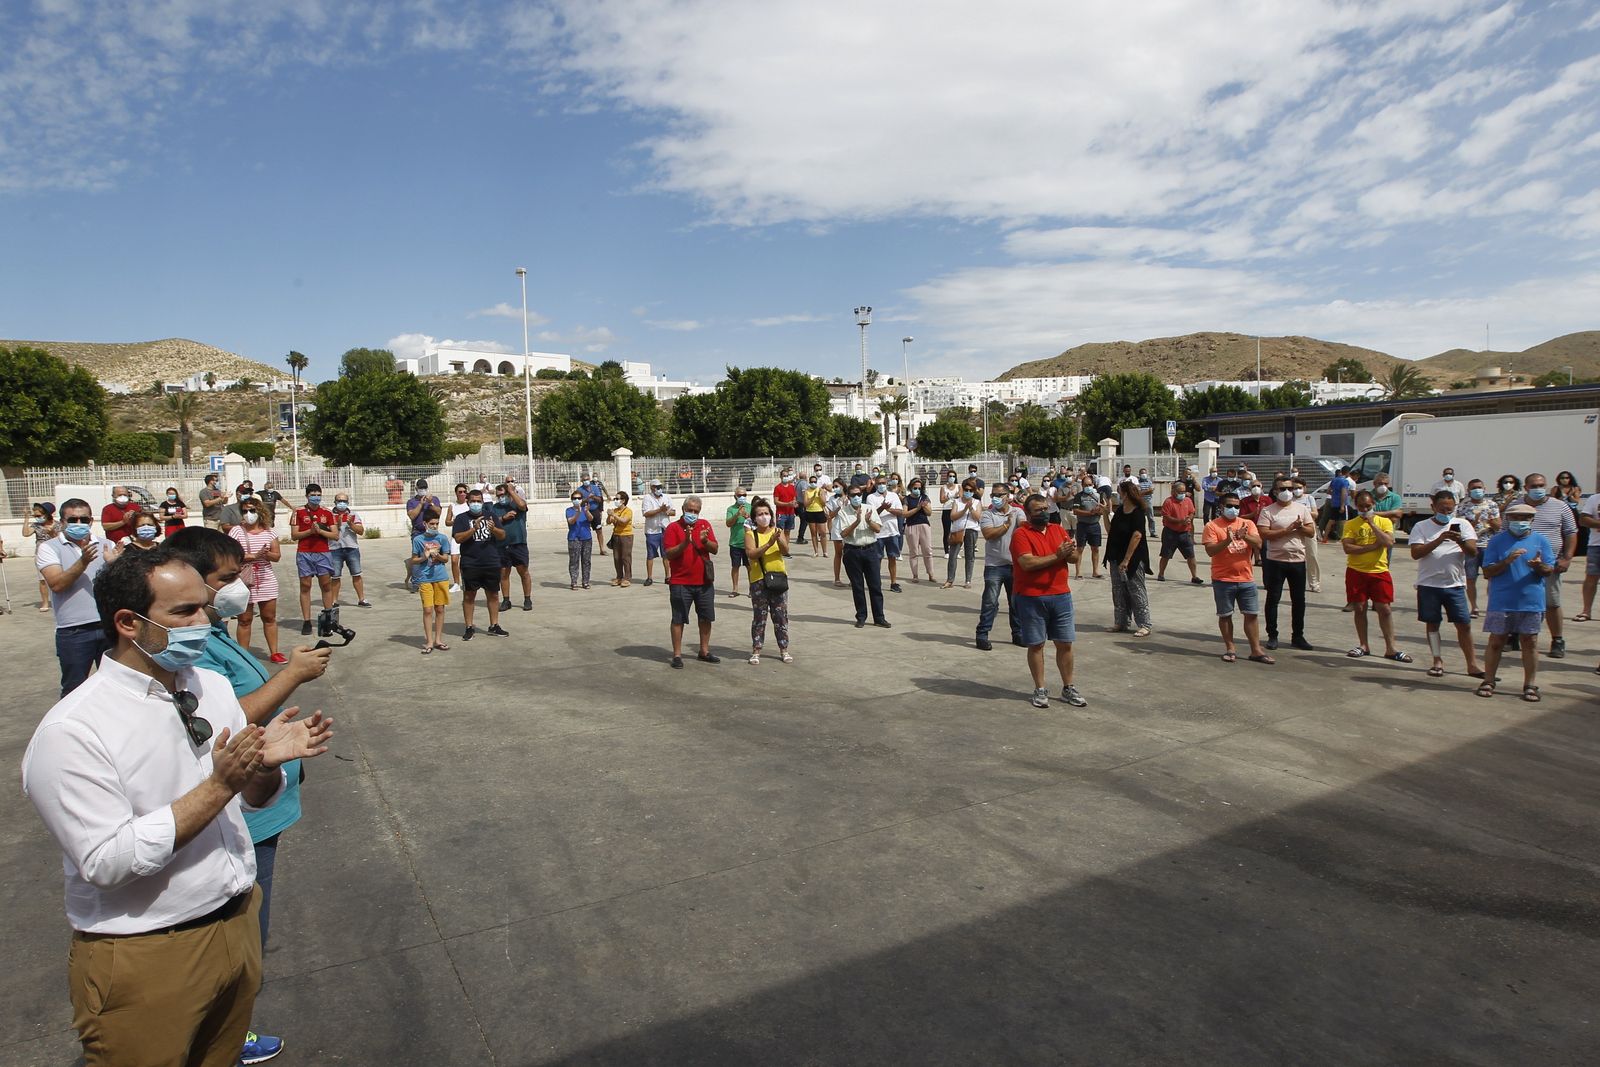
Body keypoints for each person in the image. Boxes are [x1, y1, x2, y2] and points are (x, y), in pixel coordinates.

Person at [22, 548, 330, 1067]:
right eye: (183, 613)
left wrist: (263, 766)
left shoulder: (206, 685)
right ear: (127, 623)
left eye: (204, 609)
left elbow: (254, 800)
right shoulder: (73, 730)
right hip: (149, 954)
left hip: (234, 924)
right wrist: (220, 784)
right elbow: (106, 860)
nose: (203, 623)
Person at [167, 527, 333, 1066]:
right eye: (225, 580)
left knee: (243, 931)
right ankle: (222, 1041)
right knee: (235, 939)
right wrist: (293, 675)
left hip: (258, 802)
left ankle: (225, 1032)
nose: (233, 590)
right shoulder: (188, 645)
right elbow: (228, 718)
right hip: (240, 813)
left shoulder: (209, 631)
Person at [1011, 493, 1087, 708]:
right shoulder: (1021, 534)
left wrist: (1068, 552)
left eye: (1045, 509)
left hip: (1061, 595)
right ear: (1028, 513)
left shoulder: (1057, 529)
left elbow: (1073, 558)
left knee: (1065, 643)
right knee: (1036, 645)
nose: (1044, 513)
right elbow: (1028, 563)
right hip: (1031, 597)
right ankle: (1040, 689)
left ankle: (1068, 687)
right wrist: (1057, 555)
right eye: (1038, 510)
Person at [37, 499, 118, 694]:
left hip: (108, 626)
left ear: (91, 521)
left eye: (84, 519)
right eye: (73, 519)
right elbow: (57, 584)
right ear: (62, 521)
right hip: (74, 631)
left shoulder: (107, 545)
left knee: (115, 686)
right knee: (74, 688)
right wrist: (83, 561)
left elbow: (120, 587)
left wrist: (115, 565)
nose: (79, 523)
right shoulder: (49, 548)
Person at [1476, 503, 1554, 701]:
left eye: (1525, 518)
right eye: (1516, 518)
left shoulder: (1541, 541)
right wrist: (1507, 561)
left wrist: (1538, 566)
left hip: (1531, 600)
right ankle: (1489, 680)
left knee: (1530, 642)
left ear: (1532, 520)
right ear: (1508, 519)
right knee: (1496, 641)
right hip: (1502, 600)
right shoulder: (1496, 541)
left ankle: (1530, 684)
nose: (1520, 522)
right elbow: (1487, 572)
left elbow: (1549, 570)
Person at [1409, 490, 1483, 680]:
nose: (1446, 512)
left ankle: (1472, 664)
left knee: (1464, 625)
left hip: (1455, 585)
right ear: (1433, 506)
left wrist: (1459, 540)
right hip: (1429, 585)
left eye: (1449, 509)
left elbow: (1472, 552)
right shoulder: (1421, 526)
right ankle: (1437, 660)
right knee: (1432, 624)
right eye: (1442, 508)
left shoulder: (1463, 525)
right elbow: (1416, 553)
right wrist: (1439, 539)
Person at [1202, 492, 1272, 664]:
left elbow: (1259, 544)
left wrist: (1244, 536)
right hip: (1223, 580)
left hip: (1246, 579)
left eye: (1236, 506)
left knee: (1251, 614)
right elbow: (1211, 551)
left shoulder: (1247, 524)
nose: (1233, 509)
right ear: (1221, 507)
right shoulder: (1212, 526)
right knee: (1225, 615)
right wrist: (1227, 540)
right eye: (1229, 506)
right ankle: (1230, 648)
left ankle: (1256, 650)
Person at [1341, 489, 1410, 662]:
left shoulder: (1384, 521)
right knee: (1359, 608)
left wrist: (1372, 524)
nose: (1365, 509)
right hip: (1357, 571)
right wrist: (1371, 547)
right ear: (1356, 506)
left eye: (1368, 506)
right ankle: (1363, 645)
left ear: (1373, 505)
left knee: (1384, 609)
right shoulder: (1351, 524)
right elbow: (1348, 548)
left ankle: (1391, 647)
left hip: (1379, 571)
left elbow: (1388, 542)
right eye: (1361, 506)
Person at [1257, 476, 1317, 652]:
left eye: (1290, 489)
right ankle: (1272, 635)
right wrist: (1286, 530)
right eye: (1282, 489)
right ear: (1275, 491)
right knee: (1273, 598)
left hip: (1298, 560)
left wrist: (1298, 527)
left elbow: (1311, 532)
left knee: (1299, 600)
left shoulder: (1302, 509)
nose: (1287, 492)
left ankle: (1298, 636)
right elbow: (1264, 534)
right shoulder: (1268, 511)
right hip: (1276, 561)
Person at [1523, 472, 1577, 658]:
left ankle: (1557, 639)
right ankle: (1515, 636)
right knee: (1520, 601)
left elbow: (1571, 532)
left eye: (1541, 485)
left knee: (1552, 603)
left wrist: (1567, 557)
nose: (1538, 489)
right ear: (1526, 488)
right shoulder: (1516, 506)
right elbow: (1505, 532)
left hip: (1550, 564)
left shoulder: (1560, 506)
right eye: (1534, 486)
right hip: (1521, 564)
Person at [664, 495, 720, 667]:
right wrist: (684, 543)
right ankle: (677, 655)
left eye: (696, 511)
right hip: (681, 582)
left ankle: (704, 650)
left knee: (706, 618)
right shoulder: (673, 528)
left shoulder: (705, 525)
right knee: (678, 618)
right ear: (683, 509)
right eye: (690, 510)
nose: (693, 514)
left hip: (704, 582)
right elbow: (669, 553)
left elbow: (715, 549)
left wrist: (705, 541)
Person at [228, 497, 284, 662]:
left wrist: (266, 554)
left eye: (252, 510)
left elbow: (277, 556)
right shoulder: (237, 531)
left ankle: (274, 652)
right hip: (244, 579)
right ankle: (244, 655)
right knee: (244, 619)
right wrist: (253, 556)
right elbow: (231, 555)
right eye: (245, 511)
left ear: (259, 511)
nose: (248, 514)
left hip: (265, 579)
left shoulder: (269, 532)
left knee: (269, 617)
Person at [454, 488, 508, 639]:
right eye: (473, 501)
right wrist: (473, 529)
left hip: (491, 561)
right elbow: (458, 538)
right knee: (469, 595)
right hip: (470, 563)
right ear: (468, 502)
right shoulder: (461, 518)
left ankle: (494, 625)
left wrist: (494, 529)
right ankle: (469, 626)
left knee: (493, 594)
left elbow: (502, 535)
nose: (476, 504)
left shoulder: (491, 516)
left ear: (483, 502)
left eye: (478, 501)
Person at [975, 485, 1024, 650]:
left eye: (999, 495)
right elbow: (988, 535)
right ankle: (982, 635)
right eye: (993, 495)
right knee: (990, 602)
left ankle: (1018, 634)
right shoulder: (988, 514)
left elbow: (1024, 528)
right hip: (994, 566)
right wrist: (1005, 525)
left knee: (1015, 602)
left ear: (1008, 496)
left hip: (1014, 565)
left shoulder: (1017, 512)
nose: (995, 498)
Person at [744, 498, 792, 664]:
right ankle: (756, 650)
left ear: (771, 515)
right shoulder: (751, 534)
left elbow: (786, 550)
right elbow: (751, 554)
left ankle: (784, 649)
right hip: (759, 580)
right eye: (759, 514)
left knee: (780, 616)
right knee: (759, 617)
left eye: (766, 513)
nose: (763, 517)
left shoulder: (777, 530)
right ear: (754, 518)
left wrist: (778, 539)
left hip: (778, 579)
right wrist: (768, 544)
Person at [1105, 480, 1153, 637]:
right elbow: (1110, 530)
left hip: (1133, 558)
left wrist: (1126, 560)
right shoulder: (1119, 512)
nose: (1117, 494)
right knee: (1118, 590)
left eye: (1119, 491)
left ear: (1125, 494)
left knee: (1136, 589)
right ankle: (1121, 622)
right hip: (1115, 555)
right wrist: (1105, 513)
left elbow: (1137, 535)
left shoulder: (1138, 513)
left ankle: (1144, 624)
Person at [839, 484, 890, 628]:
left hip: (870, 550)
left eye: (858, 494)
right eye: (853, 495)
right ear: (848, 497)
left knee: (875, 585)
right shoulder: (844, 512)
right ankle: (861, 616)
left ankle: (879, 617)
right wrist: (856, 521)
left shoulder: (870, 508)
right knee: (857, 586)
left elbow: (878, 529)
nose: (856, 497)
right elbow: (843, 533)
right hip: (852, 551)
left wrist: (868, 521)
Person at [290, 484, 337, 637]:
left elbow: (335, 535)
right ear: (307, 496)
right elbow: (294, 535)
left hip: (323, 553)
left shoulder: (327, 513)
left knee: (325, 584)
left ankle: (328, 617)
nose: (316, 497)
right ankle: (306, 621)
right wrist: (310, 531)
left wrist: (321, 531)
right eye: (313, 494)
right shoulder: (298, 512)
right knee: (305, 586)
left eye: (318, 494)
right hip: (304, 553)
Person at [1456, 478, 1501, 618]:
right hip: (1471, 546)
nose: (1477, 490)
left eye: (1479, 487)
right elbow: (1460, 527)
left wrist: (1490, 521)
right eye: (1474, 488)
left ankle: (1491, 606)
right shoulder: (1463, 506)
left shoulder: (1492, 505)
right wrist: (1474, 522)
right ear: (1469, 491)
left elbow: (1498, 526)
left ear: (1484, 489)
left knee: (1491, 577)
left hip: (1489, 545)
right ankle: (1474, 607)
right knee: (1470, 578)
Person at [410, 512, 453, 652]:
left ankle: (438, 639)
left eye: (436, 524)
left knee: (440, 608)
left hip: (440, 577)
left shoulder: (442, 538)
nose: (434, 526)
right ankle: (429, 641)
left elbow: (446, 558)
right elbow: (413, 560)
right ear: (425, 524)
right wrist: (424, 556)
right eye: (431, 524)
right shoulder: (418, 539)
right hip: (425, 578)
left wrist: (438, 556)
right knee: (428, 609)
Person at [493, 481, 533, 611]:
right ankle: (506, 600)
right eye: (499, 495)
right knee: (504, 573)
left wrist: (511, 491)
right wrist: (503, 518)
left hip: (518, 543)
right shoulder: (495, 508)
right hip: (502, 544)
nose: (501, 497)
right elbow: (491, 522)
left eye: (503, 494)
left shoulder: (516, 504)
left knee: (523, 572)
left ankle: (527, 599)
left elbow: (523, 505)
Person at [328, 492, 371, 608]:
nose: (341, 503)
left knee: (357, 574)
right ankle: (334, 601)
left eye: (344, 501)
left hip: (351, 548)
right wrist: (337, 524)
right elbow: (327, 532)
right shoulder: (329, 515)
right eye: (339, 501)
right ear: (335, 502)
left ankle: (361, 599)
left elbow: (361, 531)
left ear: (347, 502)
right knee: (335, 576)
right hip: (334, 549)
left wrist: (351, 524)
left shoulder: (353, 514)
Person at [1156, 480, 1202, 584]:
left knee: (1191, 555)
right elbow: (1167, 517)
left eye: (1183, 492)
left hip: (1185, 533)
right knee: (1166, 555)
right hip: (1170, 533)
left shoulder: (1188, 501)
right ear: (1173, 491)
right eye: (1180, 492)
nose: (1182, 494)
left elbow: (1192, 512)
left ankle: (1194, 576)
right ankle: (1161, 573)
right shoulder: (1168, 502)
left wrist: (1189, 519)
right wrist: (1180, 521)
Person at [404, 479, 442, 592]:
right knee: (418, 557)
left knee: (433, 556)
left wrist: (430, 503)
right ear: (416, 489)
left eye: (424, 488)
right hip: (418, 532)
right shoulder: (411, 502)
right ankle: (416, 583)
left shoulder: (434, 499)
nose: (423, 490)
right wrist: (421, 503)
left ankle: (432, 580)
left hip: (432, 532)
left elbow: (439, 513)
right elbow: (412, 515)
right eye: (421, 489)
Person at [870, 473, 905, 593]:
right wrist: (881, 508)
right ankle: (876, 582)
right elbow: (872, 515)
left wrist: (888, 509)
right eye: (879, 483)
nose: (881, 485)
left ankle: (893, 582)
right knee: (877, 559)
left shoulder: (893, 496)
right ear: (875, 484)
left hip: (892, 532)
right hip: (878, 533)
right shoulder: (871, 497)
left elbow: (900, 512)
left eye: (883, 483)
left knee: (892, 558)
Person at [943, 477, 980, 589]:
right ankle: (950, 580)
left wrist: (971, 509)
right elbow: (953, 516)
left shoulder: (976, 502)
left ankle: (968, 580)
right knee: (953, 555)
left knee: (970, 556)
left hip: (971, 530)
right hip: (957, 530)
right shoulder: (957, 502)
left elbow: (978, 517)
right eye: (966, 490)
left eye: (970, 490)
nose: (968, 492)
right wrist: (964, 510)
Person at [22, 502, 59, 611]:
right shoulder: (36, 526)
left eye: (38, 516)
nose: (37, 518)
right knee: (42, 580)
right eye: (35, 516)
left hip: (55, 553)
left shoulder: (57, 525)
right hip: (40, 554)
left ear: (47, 514)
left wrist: (52, 533)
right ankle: (45, 603)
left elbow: (60, 539)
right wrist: (26, 518)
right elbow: (25, 533)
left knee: (57, 578)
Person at [640, 479, 676, 587]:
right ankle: (649, 577)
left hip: (665, 529)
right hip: (652, 530)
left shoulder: (666, 497)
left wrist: (667, 511)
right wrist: (659, 510)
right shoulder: (647, 498)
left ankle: (667, 576)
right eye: (656, 487)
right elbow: (646, 513)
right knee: (650, 554)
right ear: (652, 488)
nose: (659, 489)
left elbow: (673, 511)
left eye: (660, 486)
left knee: (666, 554)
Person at [1070, 475, 1105, 580]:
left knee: (1095, 548)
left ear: (1093, 485)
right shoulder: (1079, 496)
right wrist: (1090, 513)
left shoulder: (1098, 496)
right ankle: (1078, 572)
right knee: (1080, 549)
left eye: (1090, 485)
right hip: (1082, 525)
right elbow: (1076, 511)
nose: (1088, 487)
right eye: (1086, 485)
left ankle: (1095, 571)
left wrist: (1100, 510)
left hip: (1095, 525)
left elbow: (1103, 510)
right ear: (1082, 485)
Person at [902, 476, 935, 583]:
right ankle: (915, 575)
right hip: (911, 526)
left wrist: (924, 506)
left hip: (924, 525)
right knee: (914, 552)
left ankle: (931, 574)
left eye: (919, 488)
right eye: (915, 487)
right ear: (911, 487)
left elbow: (929, 513)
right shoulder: (907, 499)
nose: (917, 490)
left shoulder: (924, 497)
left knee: (927, 550)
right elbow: (905, 514)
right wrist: (917, 508)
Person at [440, 483, 472, 593]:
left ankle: (468, 581)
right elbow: (447, 522)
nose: (462, 494)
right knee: (454, 560)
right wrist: (457, 522)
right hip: (457, 536)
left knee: (468, 560)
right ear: (456, 493)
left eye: (464, 491)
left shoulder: (470, 505)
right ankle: (456, 583)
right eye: (460, 492)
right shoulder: (452, 506)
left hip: (469, 535)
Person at [1576, 488, 1600, 622]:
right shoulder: (1594, 499)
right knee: (1591, 578)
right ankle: (1586, 611)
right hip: (1596, 545)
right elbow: (1584, 520)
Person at [564, 488, 595, 590]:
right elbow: (571, 521)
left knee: (586, 561)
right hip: (574, 538)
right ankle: (574, 582)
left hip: (586, 538)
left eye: (579, 498)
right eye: (574, 498)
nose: (577, 500)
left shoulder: (585, 509)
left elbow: (591, 519)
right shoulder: (569, 510)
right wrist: (577, 512)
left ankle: (585, 582)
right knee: (574, 561)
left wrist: (586, 512)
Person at [725, 488, 752, 597]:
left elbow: (756, 523)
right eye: (740, 495)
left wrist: (748, 517)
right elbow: (728, 523)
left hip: (748, 542)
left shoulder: (751, 507)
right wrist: (737, 515)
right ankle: (735, 589)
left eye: (744, 495)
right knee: (735, 566)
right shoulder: (731, 509)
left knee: (750, 566)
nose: (742, 497)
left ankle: (752, 589)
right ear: (735, 496)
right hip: (735, 543)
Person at [607, 490, 635, 587]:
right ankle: (619, 576)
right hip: (616, 535)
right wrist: (609, 515)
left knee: (625, 557)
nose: (615, 500)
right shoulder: (615, 510)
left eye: (617, 499)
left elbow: (624, 521)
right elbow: (609, 522)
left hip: (626, 535)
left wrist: (614, 515)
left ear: (623, 500)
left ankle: (627, 577)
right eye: (615, 499)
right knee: (617, 557)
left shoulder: (628, 511)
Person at [1555, 470, 1586, 556]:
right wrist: (1562, 494)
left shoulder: (1575, 488)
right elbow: (1554, 500)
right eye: (1562, 478)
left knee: (1573, 529)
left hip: (1572, 510)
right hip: (1559, 510)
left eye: (1566, 478)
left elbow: (1576, 501)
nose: (1564, 480)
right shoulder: (1556, 489)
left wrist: (1570, 495)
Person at [1322, 465, 1352, 542]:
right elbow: (1344, 493)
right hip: (1342, 504)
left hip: (1334, 503)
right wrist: (1342, 505)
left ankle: (1325, 538)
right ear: (1348, 473)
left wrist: (1335, 495)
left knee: (1331, 521)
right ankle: (1343, 539)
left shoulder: (1334, 480)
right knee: (1344, 521)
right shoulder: (1345, 481)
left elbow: (1328, 491)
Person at [827, 480, 849, 587]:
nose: (835, 488)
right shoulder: (832, 499)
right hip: (837, 527)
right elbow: (830, 516)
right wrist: (839, 507)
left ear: (843, 486)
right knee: (838, 553)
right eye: (834, 486)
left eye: (837, 486)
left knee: (850, 554)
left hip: (850, 526)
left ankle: (852, 578)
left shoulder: (850, 497)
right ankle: (837, 579)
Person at [802, 472, 829, 556]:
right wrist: (813, 497)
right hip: (810, 512)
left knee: (823, 532)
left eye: (815, 481)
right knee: (813, 533)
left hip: (819, 512)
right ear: (809, 483)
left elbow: (824, 503)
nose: (813, 483)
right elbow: (805, 504)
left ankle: (825, 551)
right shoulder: (807, 491)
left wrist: (820, 495)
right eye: (811, 482)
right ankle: (816, 551)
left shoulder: (820, 490)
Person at [772, 466, 799, 542]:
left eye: (787, 476)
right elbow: (776, 501)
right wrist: (787, 504)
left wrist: (795, 504)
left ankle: (786, 549)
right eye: (784, 476)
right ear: (781, 477)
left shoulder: (792, 487)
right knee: (779, 532)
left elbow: (794, 499)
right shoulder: (778, 488)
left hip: (790, 513)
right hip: (781, 513)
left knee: (788, 532)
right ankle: (780, 548)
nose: (786, 477)